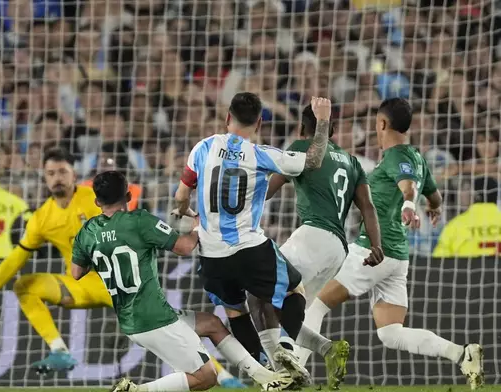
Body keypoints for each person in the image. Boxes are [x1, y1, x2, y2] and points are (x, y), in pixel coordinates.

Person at [0, 148, 245, 387]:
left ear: (74, 174)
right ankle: (59, 351)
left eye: (62, 171)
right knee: (24, 285)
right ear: (44, 177)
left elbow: (130, 216)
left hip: (121, 286)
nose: (57, 178)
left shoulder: (95, 199)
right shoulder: (41, 218)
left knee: (173, 329)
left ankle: (224, 376)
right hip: (81, 286)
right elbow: (16, 258)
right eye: (50, 173)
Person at [303, 98, 484, 390]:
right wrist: (432, 207)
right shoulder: (418, 157)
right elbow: (434, 196)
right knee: (391, 334)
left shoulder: (394, 157)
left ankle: (296, 374)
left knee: (314, 304)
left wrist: (409, 204)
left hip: (373, 251)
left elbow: (408, 186)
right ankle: (462, 354)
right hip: (398, 257)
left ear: (382, 124)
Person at [71, 171, 293, 392]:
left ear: (97, 201)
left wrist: (104, 254)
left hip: (132, 319)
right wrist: (197, 226)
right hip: (154, 319)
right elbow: (185, 247)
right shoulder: (139, 221)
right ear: (128, 196)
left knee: (212, 324)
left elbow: (76, 272)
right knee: (206, 377)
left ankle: (265, 378)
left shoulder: (87, 232)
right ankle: (136, 391)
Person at [173, 93, 332, 387]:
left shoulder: (203, 148)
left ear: (226, 118)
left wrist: (187, 213)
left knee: (236, 311)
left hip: (211, 256)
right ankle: (281, 349)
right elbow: (314, 160)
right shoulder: (262, 154)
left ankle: (268, 374)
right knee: (293, 288)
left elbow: (181, 196)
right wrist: (322, 120)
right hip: (248, 247)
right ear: (259, 123)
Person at [249, 104, 384, 390]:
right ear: (332, 130)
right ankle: (327, 349)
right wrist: (376, 244)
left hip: (311, 236)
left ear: (301, 128)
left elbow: (269, 191)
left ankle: (283, 373)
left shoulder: (302, 147)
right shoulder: (352, 161)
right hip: (338, 249)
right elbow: (368, 208)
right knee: (288, 311)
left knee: (260, 293)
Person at [433, 177, 501, 257]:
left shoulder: (455, 225)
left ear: (476, 196)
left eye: (467, 189)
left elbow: (438, 260)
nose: (462, 194)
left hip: (465, 268)